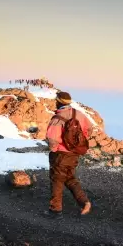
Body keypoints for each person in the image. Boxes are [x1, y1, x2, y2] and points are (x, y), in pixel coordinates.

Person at [45, 91, 92, 219]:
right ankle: (84, 202)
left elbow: (52, 138)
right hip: (74, 154)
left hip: (60, 154)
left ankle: (55, 210)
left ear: (58, 101)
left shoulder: (57, 118)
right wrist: (77, 144)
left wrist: (53, 149)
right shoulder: (79, 114)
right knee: (70, 178)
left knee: (57, 180)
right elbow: (89, 129)